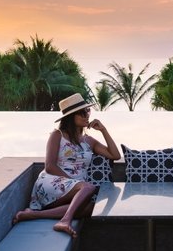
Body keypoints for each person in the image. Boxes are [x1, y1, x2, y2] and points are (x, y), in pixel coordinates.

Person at [14, 93, 121, 238]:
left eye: (87, 111)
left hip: (75, 189)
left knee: (92, 207)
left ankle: (33, 215)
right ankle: (65, 221)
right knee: (89, 187)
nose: (86, 115)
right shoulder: (57, 135)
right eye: (81, 113)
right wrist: (73, 184)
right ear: (71, 117)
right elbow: (50, 166)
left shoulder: (88, 141)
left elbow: (115, 155)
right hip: (52, 181)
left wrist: (103, 130)